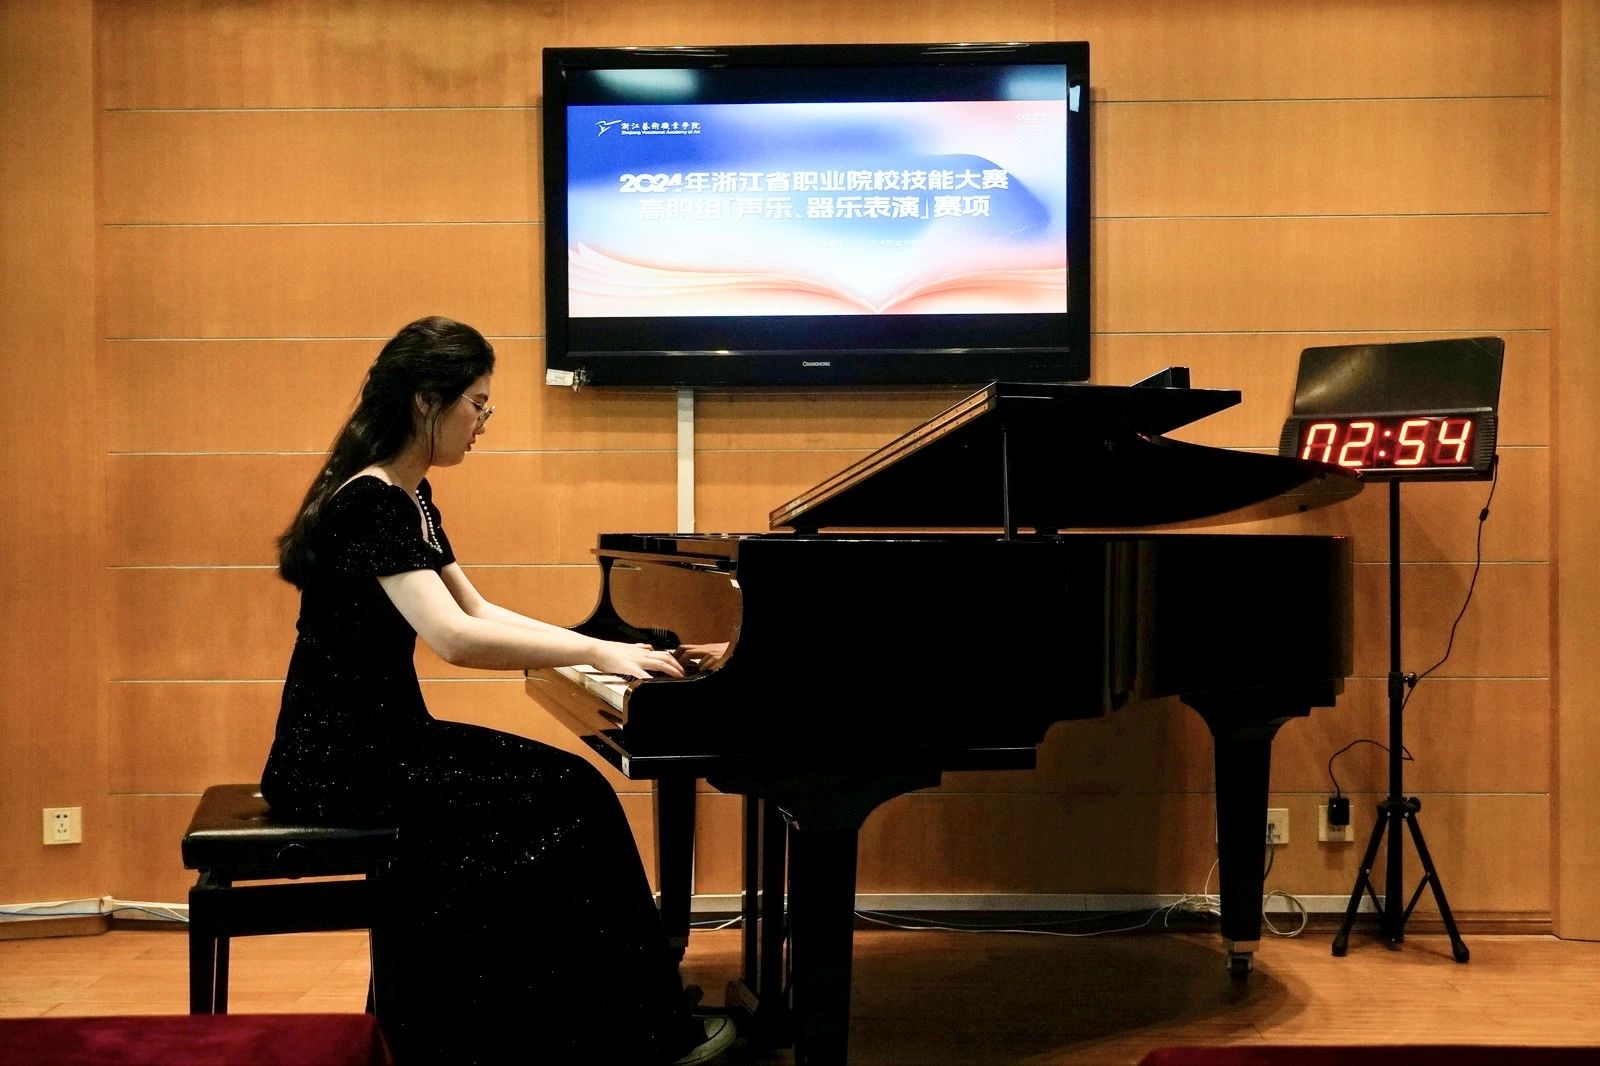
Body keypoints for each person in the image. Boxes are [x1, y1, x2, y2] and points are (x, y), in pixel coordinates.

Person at [260, 316, 736, 1065]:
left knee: (567, 793)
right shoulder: (372, 501)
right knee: (575, 792)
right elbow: (455, 638)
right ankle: (632, 1034)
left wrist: (614, 648)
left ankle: (574, 1026)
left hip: (379, 742)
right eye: (477, 403)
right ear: (427, 401)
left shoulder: (409, 496)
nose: (484, 420)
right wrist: (595, 649)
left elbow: (477, 610)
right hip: (343, 758)